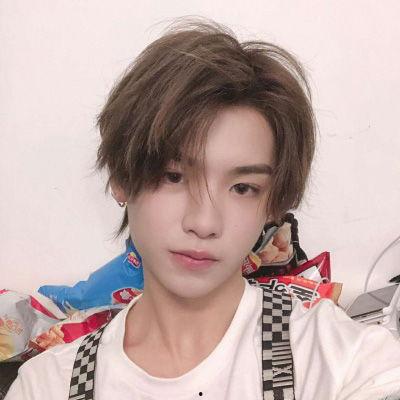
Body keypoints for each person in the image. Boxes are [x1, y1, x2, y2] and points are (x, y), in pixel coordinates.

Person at [5, 18, 400, 400]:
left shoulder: (342, 360)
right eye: (173, 176)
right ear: (122, 178)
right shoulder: (49, 386)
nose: (204, 222)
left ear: (272, 203)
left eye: (242, 188)